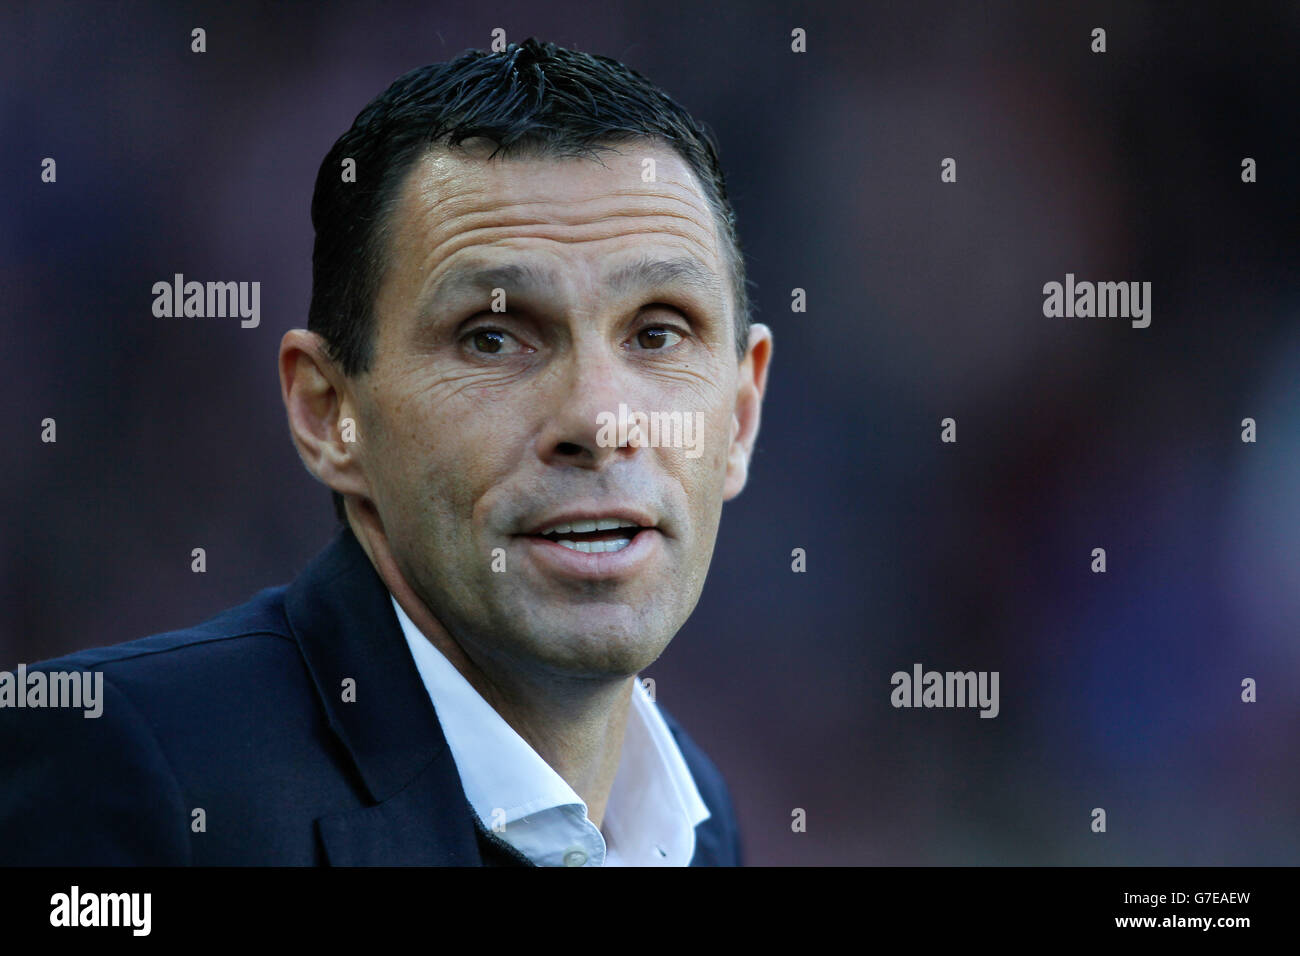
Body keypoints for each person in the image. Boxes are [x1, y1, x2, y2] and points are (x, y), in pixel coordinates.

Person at [0, 37, 772, 866]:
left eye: (658, 332)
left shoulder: (695, 817)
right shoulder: (129, 768)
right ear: (329, 413)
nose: (597, 418)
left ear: (739, 413)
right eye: (492, 337)